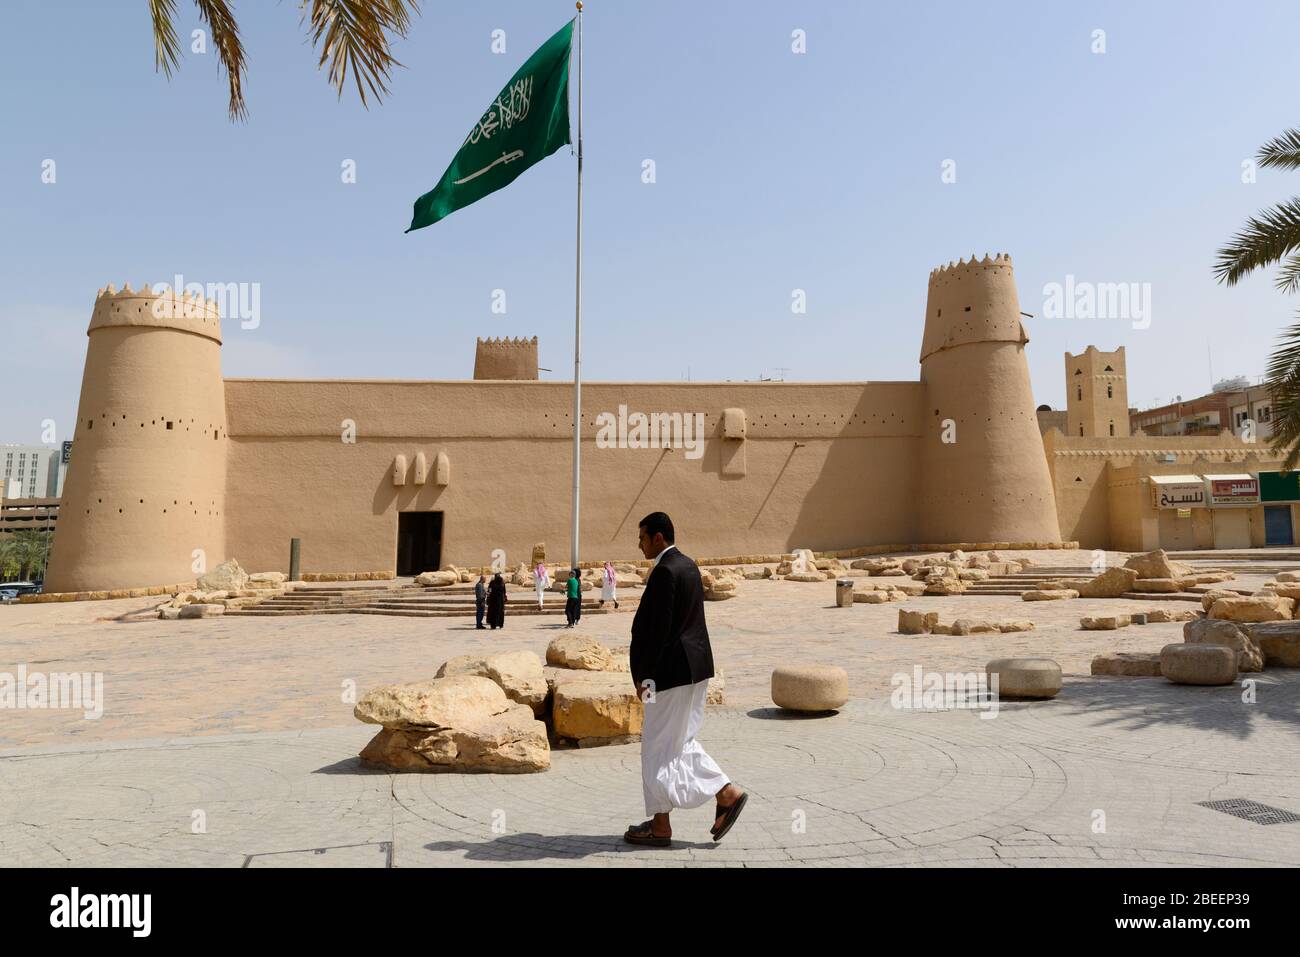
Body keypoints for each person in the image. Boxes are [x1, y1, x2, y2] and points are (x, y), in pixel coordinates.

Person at [623, 511, 746, 847]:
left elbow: (657, 632)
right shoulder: (689, 565)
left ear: (659, 538)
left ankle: (675, 819)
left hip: (667, 676)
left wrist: (644, 678)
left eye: (643, 538)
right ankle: (715, 797)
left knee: (655, 747)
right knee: (680, 743)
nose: (639, 544)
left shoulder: (664, 571)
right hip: (694, 670)